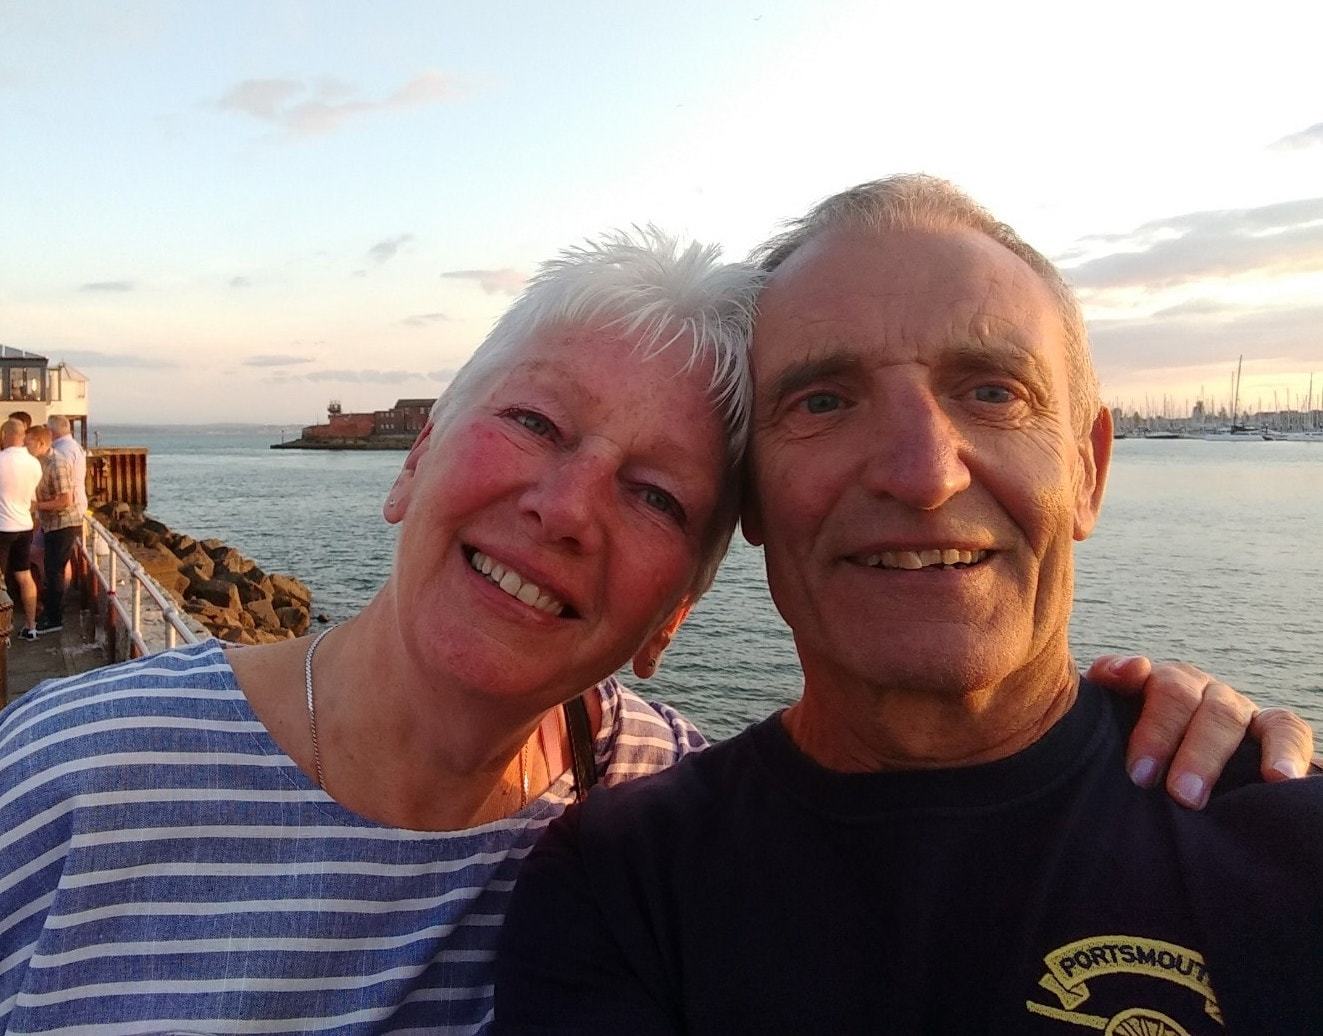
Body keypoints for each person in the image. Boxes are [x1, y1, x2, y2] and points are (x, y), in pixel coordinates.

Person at [0, 229, 1305, 1035]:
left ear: (671, 616)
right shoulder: (67, 773)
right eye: (532, 422)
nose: (564, 508)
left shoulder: (640, 806)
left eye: (655, 495)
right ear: (413, 458)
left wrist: (1154, 737)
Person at [494, 179, 1323, 1034]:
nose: (923, 474)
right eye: (822, 401)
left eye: (993, 393)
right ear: (752, 499)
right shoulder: (621, 884)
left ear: (1087, 469)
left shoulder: (1287, 843)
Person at [25, 424, 81, 634]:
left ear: (40, 443)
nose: (25, 446)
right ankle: (51, 612)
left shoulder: (57, 463)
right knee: (51, 568)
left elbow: (66, 500)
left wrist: (37, 506)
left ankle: (54, 618)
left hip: (64, 523)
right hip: (51, 523)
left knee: (55, 569)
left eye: (28, 442)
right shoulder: (39, 463)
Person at [0, 419, 43, 638]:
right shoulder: (34, 464)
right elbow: (32, 498)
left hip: (2, 526)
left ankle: (2, 629)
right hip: (24, 525)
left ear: (5, 434)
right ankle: (31, 626)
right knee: (24, 576)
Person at [48, 414, 88, 517]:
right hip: (78, 501)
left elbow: (64, 477)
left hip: (69, 508)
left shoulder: (61, 451)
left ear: (50, 432)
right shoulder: (74, 446)